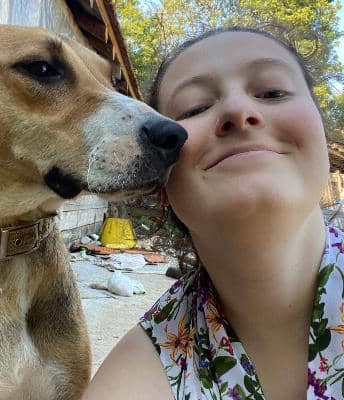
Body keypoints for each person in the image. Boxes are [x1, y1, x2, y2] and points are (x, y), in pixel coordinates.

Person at [82, 27, 344, 400]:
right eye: (195, 108)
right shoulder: (133, 379)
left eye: (273, 92)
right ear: (163, 185)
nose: (238, 111)